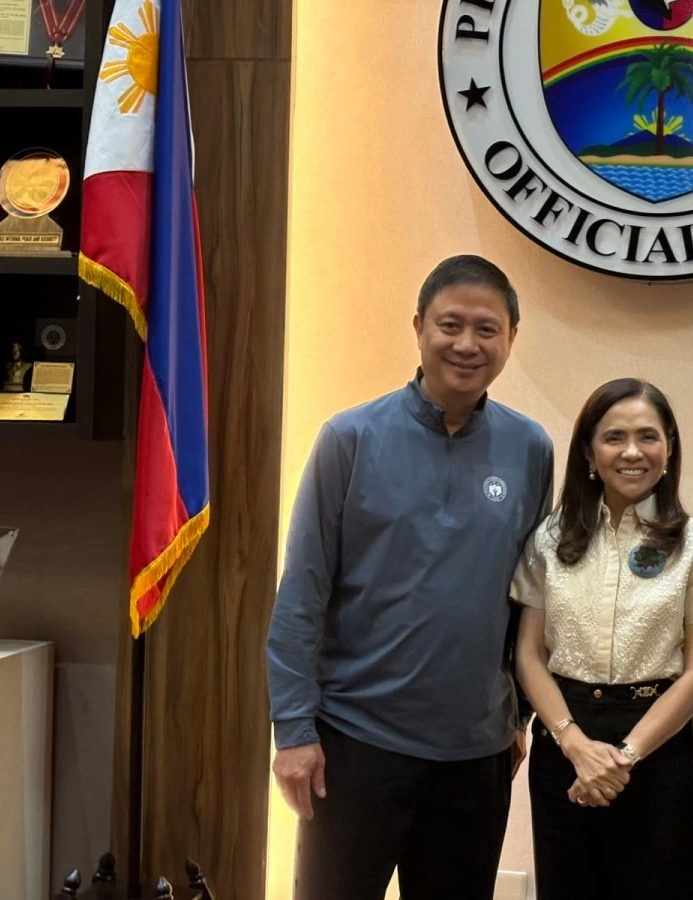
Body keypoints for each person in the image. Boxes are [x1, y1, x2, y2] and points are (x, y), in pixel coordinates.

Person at [266, 255, 554, 900]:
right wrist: (293, 731)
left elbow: (532, 599)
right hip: (355, 747)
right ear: (420, 327)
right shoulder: (349, 438)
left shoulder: (530, 448)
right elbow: (302, 594)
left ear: (512, 339)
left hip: (476, 756)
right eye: (451, 324)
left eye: (488, 329)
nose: (467, 344)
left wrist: (520, 720)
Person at [513, 378, 693, 900]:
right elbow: (528, 655)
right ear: (589, 450)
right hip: (564, 742)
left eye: (647, 436)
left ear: (669, 447)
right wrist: (575, 745)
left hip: (658, 749)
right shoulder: (550, 537)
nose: (632, 452)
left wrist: (622, 759)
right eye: (614, 437)